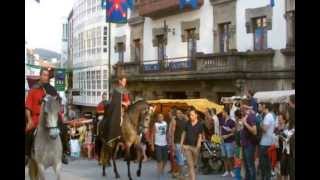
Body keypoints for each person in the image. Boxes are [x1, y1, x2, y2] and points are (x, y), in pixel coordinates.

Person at [25, 68, 69, 165]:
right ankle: (27, 154)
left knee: (64, 128)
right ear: (40, 76)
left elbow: (57, 103)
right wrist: (29, 120)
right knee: (28, 131)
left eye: (47, 75)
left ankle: (64, 152)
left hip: (51, 117)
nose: (46, 77)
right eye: (44, 75)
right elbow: (27, 107)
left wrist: (58, 101)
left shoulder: (52, 89)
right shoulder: (33, 90)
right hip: (37, 117)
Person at [180, 109, 203, 180]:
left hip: (195, 147)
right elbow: (184, 133)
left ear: (196, 115)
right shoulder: (187, 123)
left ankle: (189, 178)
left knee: (194, 165)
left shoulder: (200, 124)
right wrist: (181, 144)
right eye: (190, 115)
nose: (191, 117)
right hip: (187, 146)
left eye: (192, 115)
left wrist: (198, 146)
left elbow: (200, 136)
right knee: (190, 165)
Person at [240, 99, 257, 180]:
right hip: (245, 144)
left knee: (250, 166)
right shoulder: (246, 115)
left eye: (241, 105)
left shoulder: (251, 116)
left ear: (245, 106)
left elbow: (254, 131)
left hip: (249, 145)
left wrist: (245, 123)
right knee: (247, 166)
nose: (240, 107)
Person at [259, 103, 276, 180]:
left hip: (265, 143)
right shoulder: (269, 116)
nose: (260, 107)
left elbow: (265, 129)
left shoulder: (268, 116)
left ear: (264, 106)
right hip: (267, 142)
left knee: (264, 164)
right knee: (266, 164)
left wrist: (260, 124)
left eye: (260, 106)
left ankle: (266, 178)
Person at [151, 113, 169, 180]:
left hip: (165, 144)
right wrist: (152, 145)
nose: (160, 118)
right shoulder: (155, 124)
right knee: (159, 160)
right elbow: (152, 135)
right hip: (158, 144)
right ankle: (159, 173)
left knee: (165, 160)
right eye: (159, 117)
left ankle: (162, 170)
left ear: (163, 117)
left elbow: (167, 133)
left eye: (161, 117)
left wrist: (169, 142)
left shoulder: (165, 123)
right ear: (157, 118)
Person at [170, 109, 187, 178]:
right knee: (180, 159)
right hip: (177, 142)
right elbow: (172, 133)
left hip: (184, 142)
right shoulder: (175, 121)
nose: (179, 114)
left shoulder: (184, 120)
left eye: (180, 113)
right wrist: (172, 143)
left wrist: (184, 115)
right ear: (175, 114)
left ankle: (178, 173)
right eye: (177, 113)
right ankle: (181, 174)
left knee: (181, 159)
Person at [220, 107, 236, 177]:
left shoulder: (232, 121)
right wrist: (220, 137)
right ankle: (226, 171)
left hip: (229, 141)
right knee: (224, 156)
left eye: (223, 112)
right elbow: (220, 129)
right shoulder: (222, 120)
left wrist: (227, 136)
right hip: (222, 141)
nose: (222, 113)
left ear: (226, 112)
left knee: (230, 157)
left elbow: (234, 132)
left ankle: (232, 171)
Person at [275, 113, 290, 180]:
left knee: (285, 172)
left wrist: (280, 134)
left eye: (280, 119)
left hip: (285, 152)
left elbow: (287, 139)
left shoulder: (287, 128)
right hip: (278, 150)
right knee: (278, 170)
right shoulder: (277, 128)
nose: (279, 121)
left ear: (284, 120)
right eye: (278, 119)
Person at [287, 95, 295, 180]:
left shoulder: (292, 110)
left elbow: (291, 128)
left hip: (293, 142)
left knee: (292, 166)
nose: (288, 102)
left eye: (289, 101)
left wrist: (287, 136)